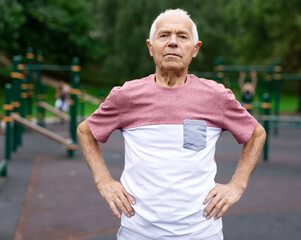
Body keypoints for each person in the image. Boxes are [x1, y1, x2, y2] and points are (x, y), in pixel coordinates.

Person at [77, 8, 266, 240]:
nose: (173, 42)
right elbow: (86, 131)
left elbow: (256, 134)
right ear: (150, 47)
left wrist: (237, 185)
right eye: (164, 35)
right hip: (137, 231)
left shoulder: (216, 96)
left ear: (195, 49)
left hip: (201, 231)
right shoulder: (126, 95)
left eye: (182, 36)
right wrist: (103, 181)